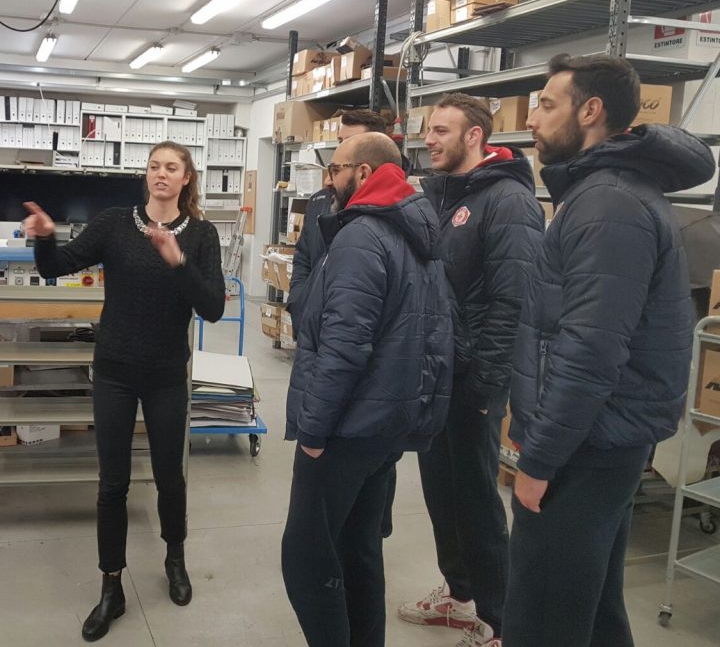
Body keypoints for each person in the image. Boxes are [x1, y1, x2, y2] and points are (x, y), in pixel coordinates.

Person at [502, 54, 715, 647]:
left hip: (586, 445)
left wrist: (539, 460)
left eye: (547, 105)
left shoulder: (608, 204)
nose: (532, 120)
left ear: (590, 111)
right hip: (600, 438)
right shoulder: (605, 192)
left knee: (544, 615)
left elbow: (590, 350)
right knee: (589, 609)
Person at [24, 140, 225, 642]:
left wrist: (178, 261)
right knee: (112, 484)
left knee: (169, 477)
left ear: (186, 178)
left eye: (172, 167)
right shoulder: (115, 223)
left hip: (165, 374)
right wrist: (45, 238)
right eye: (154, 166)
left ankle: (174, 558)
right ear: (146, 175)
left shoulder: (201, 234)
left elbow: (213, 308)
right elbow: (54, 267)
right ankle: (111, 586)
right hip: (114, 370)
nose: (161, 174)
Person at [281, 132, 453, 647]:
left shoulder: (362, 236)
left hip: (346, 426)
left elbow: (344, 346)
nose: (328, 180)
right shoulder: (414, 231)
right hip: (384, 424)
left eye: (335, 169)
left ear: (363, 173)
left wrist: (314, 430)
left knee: (307, 557)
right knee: (358, 549)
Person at [398, 94, 543, 647]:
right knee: (442, 492)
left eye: (441, 130)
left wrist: (484, 383)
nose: (428, 139)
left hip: (474, 378)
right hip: (438, 374)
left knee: (478, 502)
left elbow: (515, 302)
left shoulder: (508, 200)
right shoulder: (442, 195)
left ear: (474, 136)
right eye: (428, 129)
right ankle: (459, 597)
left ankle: (500, 622)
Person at [288, 108, 390, 331]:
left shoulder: (389, 209)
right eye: (340, 141)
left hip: (355, 332)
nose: (341, 148)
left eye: (350, 141)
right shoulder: (320, 201)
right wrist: (299, 303)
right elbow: (303, 257)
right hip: (312, 328)